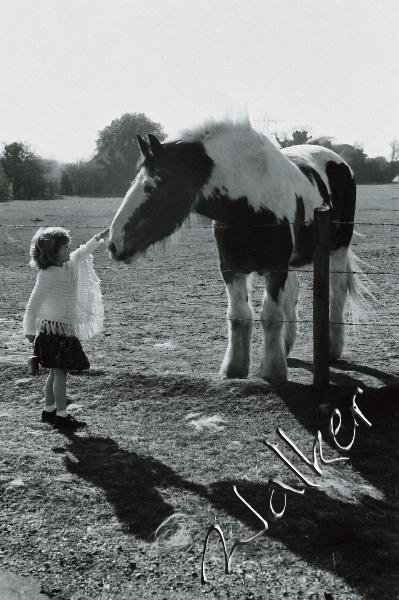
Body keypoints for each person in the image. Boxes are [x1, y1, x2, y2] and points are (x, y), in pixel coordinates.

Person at [23, 226, 109, 431]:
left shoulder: (68, 265)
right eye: (65, 247)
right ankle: (62, 416)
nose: (69, 251)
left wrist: (99, 237)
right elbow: (32, 306)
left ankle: (49, 410)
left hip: (63, 330)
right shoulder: (47, 275)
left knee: (55, 373)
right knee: (60, 374)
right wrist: (29, 330)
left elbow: (82, 251)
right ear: (53, 252)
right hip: (53, 333)